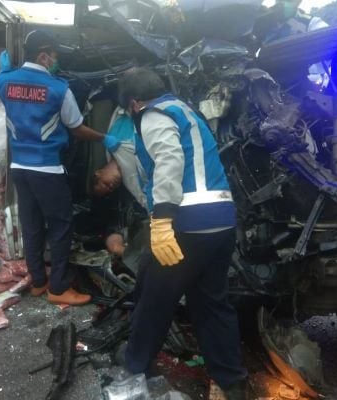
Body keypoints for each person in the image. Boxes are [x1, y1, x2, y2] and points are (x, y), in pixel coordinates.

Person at [118, 68, 248, 399]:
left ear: (134, 103)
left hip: (186, 225)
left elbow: (169, 160)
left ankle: (135, 365)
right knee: (211, 302)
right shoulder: (184, 109)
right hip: (221, 221)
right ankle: (231, 380)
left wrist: (162, 221)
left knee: (154, 298)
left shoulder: (152, 115)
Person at [0, 29, 120, 306]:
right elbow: (78, 129)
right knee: (61, 225)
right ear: (43, 55)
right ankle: (59, 288)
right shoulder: (59, 89)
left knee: (32, 224)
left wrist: (4, 79)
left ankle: (38, 281)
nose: (56, 61)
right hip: (48, 169)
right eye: (54, 56)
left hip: (20, 169)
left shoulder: (5, 80)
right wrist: (104, 137)